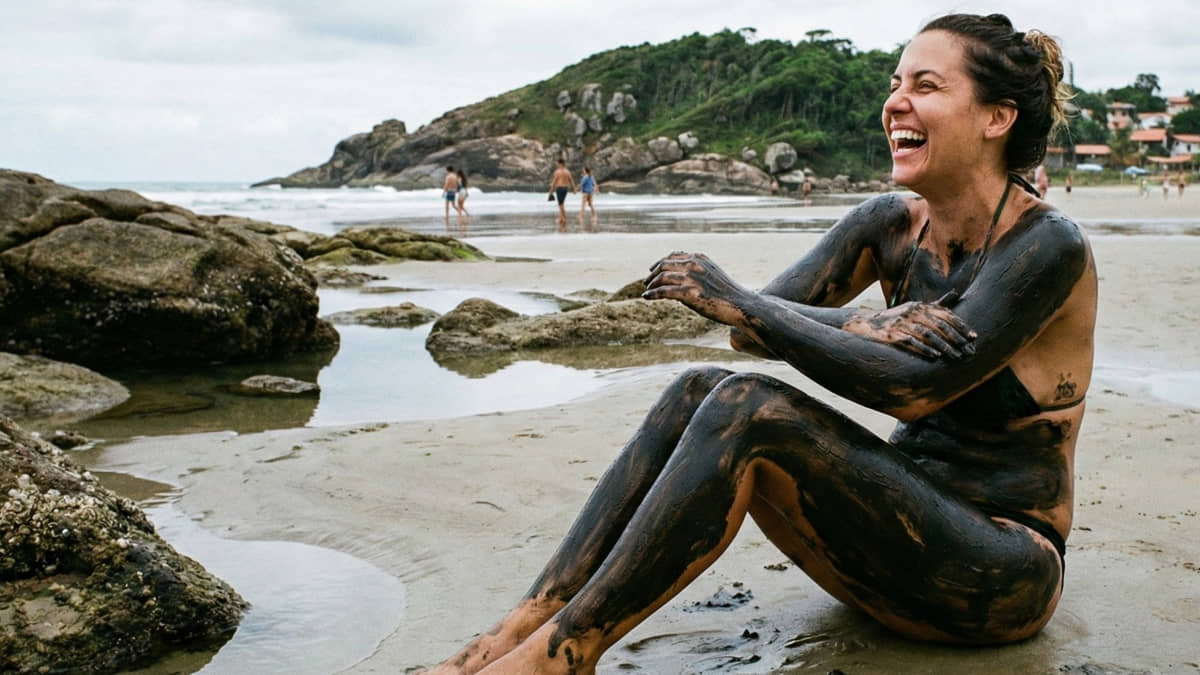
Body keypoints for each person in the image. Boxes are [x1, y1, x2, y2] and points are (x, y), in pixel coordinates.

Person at [428, 13, 1095, 673]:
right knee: (699, 389)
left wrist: (746, 296)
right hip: (892, 535)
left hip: (999, 572)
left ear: (996, 117)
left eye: (925, 85)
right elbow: (750, 330)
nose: (895, 102)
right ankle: (529, 619)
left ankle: (560, 657)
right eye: (896, 83)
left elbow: (913, 387)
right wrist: (860, 320)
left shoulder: (1045, 245)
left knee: (747, 406)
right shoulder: (889, 225)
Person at [548, 158, 575, 231]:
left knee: (561, 205)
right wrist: (574, 189)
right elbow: (571, 181)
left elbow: (554, 182)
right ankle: (560, 219)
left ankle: (564, 218)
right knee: (562, 203)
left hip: (559, 188)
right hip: (566, 189)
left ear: (560, 163)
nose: (557, 165)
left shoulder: (557, 172)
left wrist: (551, 191)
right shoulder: (568, 172)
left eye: (558, 163)